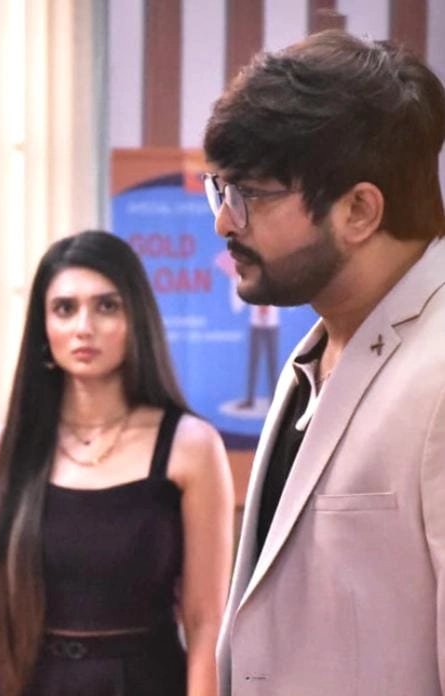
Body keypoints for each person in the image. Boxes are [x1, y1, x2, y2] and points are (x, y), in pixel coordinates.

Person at [203, 30, 445, 695]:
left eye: (249, 194)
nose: (225, 222)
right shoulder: (314, 353)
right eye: (220, 190)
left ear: (358, 211)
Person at [0, 230, 234, 696]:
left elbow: (206, 623)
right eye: (65, 308)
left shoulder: (191, 446)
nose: (85, 326)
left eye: (107, 306)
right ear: (43, 327)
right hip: (27, 682)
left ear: (136, 317)